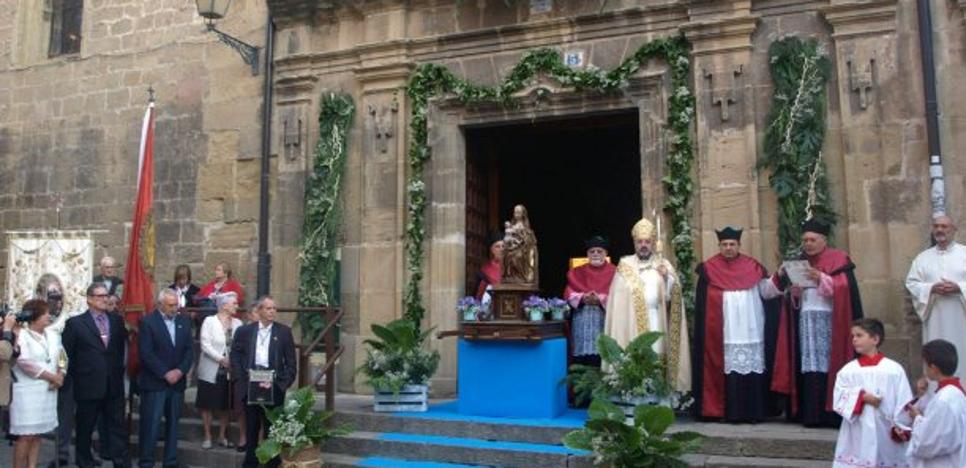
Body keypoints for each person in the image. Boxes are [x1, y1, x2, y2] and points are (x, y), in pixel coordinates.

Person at [771, 219, 864, 427]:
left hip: (830, 320)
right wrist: (794, 291)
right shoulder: (799, 262)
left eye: (813, 239)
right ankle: (809, 414)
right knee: (809, 364)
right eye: (805, 240)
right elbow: (789, 296)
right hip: (805, 319)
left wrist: (821, 277)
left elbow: (844, 288)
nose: (808, 244)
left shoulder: (838, 259)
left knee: (828, 364)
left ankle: (830, 414)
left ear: (823, 240)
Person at [692, 227, 781, 422]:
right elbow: (703, 305)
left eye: (732, 244)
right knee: (727, 367)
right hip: (725, 331)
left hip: (751, 328)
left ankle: (753, 413)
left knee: (752, 367)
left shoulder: (753, 267)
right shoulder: (709, 269)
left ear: (739, 245)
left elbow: (767, 292)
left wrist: (780, 278)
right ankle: (726, 412)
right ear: (719, 246)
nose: (728, 248)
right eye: (724, 244)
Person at [605, 217, 691, 392]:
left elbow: (673, 297)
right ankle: (633, 394)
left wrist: (667, 278)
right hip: (630, 323)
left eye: (647, 242)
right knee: (634, 357)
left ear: (652, 243)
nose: (643, 245)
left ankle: (657, 395)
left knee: (656, 356)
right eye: (639, 242)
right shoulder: (624, 265)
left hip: (656, 319)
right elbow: (617, 300)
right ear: (634, 243)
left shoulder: (663, 264)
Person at [62, 283, 130, 468]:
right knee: (85, 428)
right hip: (88, 386)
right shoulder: (75, 324)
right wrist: (72, 381)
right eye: (99, 296)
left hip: (113, 385)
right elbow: (67, 355)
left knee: (117, 428)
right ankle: (85, 461)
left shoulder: (116, 321)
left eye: (106, 295)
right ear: (89, 299)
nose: (104, 299)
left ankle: (121, 462)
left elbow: (119, 350)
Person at [831, 318, 912, 467]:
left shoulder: (894, 370)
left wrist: (902, 427)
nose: (854, 340)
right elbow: (838, 398)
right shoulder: (848, 371)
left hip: (886, 431)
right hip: (857, 432)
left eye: (859, 335)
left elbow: (904, 401)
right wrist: (862, 398)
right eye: (853, 336)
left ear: (875, 339)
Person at [230, 296, 296, 468]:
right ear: (258, 311)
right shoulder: (244, 331)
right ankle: (250, 462)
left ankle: (272, 463)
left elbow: (290, 362)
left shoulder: (283, 332)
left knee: (271, 429)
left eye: (274, 308)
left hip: (273, 386)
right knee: (251, 428)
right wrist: (240, 378)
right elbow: (235, 355)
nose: (272, 311)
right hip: (250, 384)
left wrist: (282, 385)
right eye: (268, 308)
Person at [136, 288, 193, 468]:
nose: (175, 308)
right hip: (155, 383)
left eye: (176, 304)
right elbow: (146, 353)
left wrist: (179, 371)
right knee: (151, 424)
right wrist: (165, 373)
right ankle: (146, 462)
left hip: (177, 384)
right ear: (160, 305)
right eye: (170, 305)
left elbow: (189, 351)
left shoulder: (184, 322)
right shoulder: (147, 322)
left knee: (174, 424)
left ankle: (170, 461)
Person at [905, 215, 965, 380]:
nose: (940, 230)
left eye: (944, 226)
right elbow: (912, 283)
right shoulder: (923, 258)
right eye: (936, 226)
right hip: (934, 317)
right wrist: (931, 288)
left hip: (960, 316)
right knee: (935, 353)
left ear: (953, 230)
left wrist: (959, 287)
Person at [10, 299, 64, 468]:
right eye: (46, 313)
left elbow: (62, 356)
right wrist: (51, 376)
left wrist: (60, 374)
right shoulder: (21, 334)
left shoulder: (54, 335)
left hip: (47, 392)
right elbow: (24, 362)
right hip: (27, 393)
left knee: (37, 434)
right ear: (34, 317)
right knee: (26, 435)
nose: (49, 316)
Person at [37, 273, 83, 468]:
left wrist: (61, 373)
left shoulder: (69, 318)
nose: (55, 300)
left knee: (66, 417)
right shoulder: (37, 318)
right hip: (40, 376)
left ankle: (63, 453)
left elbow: (64, 353)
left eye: (58, 296)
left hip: (65, 376)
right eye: (51, 295)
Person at [905, 339, 965, 467]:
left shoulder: (945, 399)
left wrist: (917, 418)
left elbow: (928, 443)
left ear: (933, 368)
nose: (924, 368)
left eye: (925, 364)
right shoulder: (953, 393)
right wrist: (923, 395)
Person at [197, 293, 244, 450]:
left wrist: (234, 361)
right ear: (224, 305)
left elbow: (241, 345)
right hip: (211, 367)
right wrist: (221, 359)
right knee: (207, 403)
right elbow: (205, 344)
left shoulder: (238, 323)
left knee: (225, 404)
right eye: (234, 303)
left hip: (230, 370)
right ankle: (207, 435)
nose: (237, 306)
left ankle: (222, 436)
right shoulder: (210, 321)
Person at [563, 235, 616, 368]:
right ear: (587, 254)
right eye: (592, 251)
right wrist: (582, 298)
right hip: (582, 321)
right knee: (581, 362)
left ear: (606, 253)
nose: (596, 254)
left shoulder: (615, 272)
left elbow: (619, 296)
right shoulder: (576, 272)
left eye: (599, 251)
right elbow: (568, 293)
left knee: (601, 358)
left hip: (603, 321)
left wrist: (601, 299)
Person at [502, 204, 538, 284]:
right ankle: (510, 276)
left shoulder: (526, 228)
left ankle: (521, 276)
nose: (516, 213)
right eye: (515, 212)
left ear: (523, 214)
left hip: (523, 249)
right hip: (512, 248)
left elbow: (528, 241)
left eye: (518, 212)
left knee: (517, 256)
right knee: (507, 256)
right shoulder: (512, 225)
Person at [475, 232, 503, 300]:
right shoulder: (484, 272)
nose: (501, 249)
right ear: (491, 250)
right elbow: (479, 296)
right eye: (497, 246)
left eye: (503, 246)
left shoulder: (513, 268)